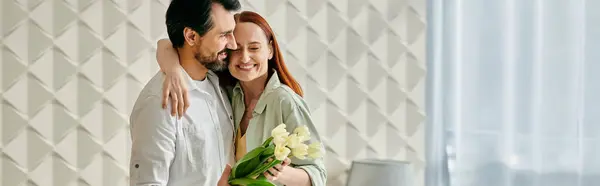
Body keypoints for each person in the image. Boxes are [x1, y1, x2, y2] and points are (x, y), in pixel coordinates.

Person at [155, 11, 327, 186]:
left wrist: (281, 173)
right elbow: (165, 44)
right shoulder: (225, 93)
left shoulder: (285, 101)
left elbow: (318, 175)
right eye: (235, 49)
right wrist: (173, 71)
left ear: (270, 50)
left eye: (254, 48)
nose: (245, 57)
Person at [128, 0, 241, 185]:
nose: (234, 44)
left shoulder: (219, 82)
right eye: (224, 35)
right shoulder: (160, 103)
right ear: (191, 36)